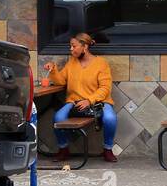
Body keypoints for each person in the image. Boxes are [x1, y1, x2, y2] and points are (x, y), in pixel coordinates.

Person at [43, 32, 117, 163]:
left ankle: (108, 149)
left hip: (99, 102)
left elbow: (105, 88)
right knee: (58, 118)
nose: (71, 49)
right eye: (70, 46)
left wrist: (89, 100)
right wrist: (53, 70)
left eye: (74, 46)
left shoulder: (101, 63)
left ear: (85, 47)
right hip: (74, 101)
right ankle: (63, 149)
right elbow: (61, 81)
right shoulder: (72, 62)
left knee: (110, 119)